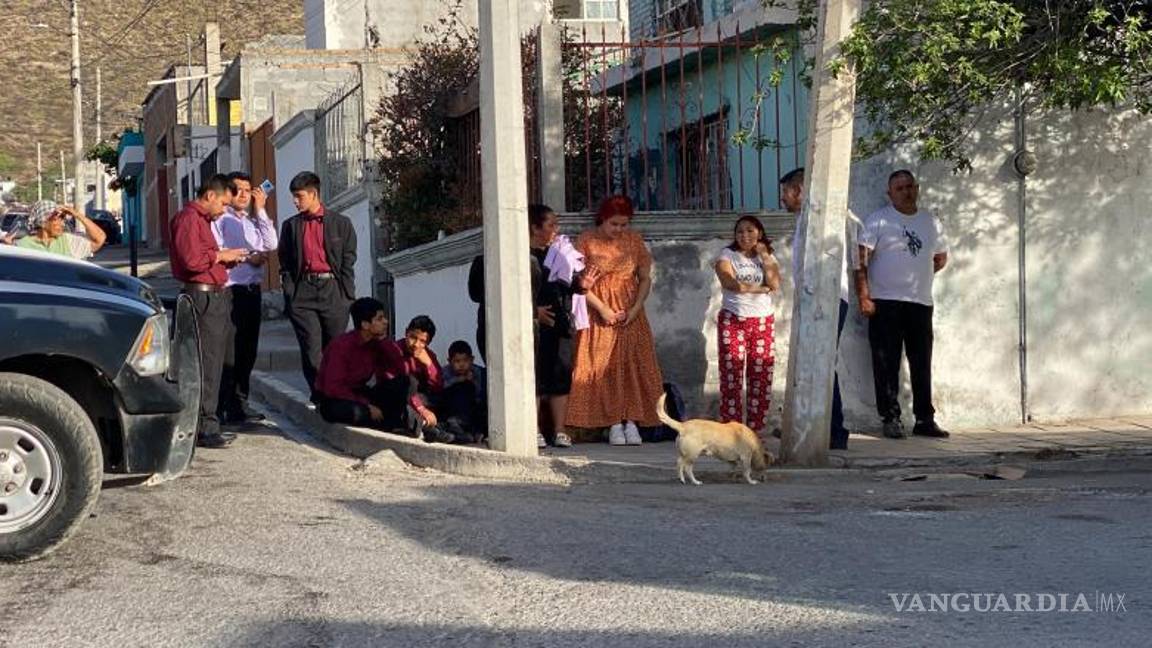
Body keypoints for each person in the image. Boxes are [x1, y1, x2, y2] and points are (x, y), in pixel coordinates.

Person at [856, 170, 950, 439]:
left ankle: (924, 419)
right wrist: (864, 295)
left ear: (917, 188)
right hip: (885, 303)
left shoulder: (930, 221)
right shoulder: (879, 220)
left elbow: (940, 258)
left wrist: (917, 276)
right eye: (899, 188)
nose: (906, 191)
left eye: (910, 186)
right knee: (886, 363)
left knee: (922, 362)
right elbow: (860, 260)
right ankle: (891, 418)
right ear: (890, 194)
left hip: (920, 302)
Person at [566, 195, 664, 445]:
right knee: (601, 366)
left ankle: (632, 420)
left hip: (630, 312)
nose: (619, 230)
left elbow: (644, 278)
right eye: (614, 224)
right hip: (599, 311)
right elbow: (577, 282)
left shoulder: (634, 240)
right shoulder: (586, 241)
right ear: (603, 219)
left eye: (623, 224)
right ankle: (611, 422)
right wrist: (603, 309)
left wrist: (635, 308)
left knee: (631, 365)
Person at [168, 174, 249, 448]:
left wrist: (225, 260)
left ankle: (210, 420)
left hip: (216, 295)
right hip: (202, 299)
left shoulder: (201, 221)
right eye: (224, 204)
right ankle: (205, 426)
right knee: (207, 363)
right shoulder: (189, 219)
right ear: (211, 196)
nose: (224, 210)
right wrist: (220, 256)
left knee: (218, 361)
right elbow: (191, 260)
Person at [783, 168, 858, 450]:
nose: (783, 199)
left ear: (801, 190)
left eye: (786, 192)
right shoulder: (806, 219)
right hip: (812, 299)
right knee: (813, 365)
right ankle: (813, 426)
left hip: (828, 299)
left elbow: (855, 255)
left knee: (823, 364)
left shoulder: (829, 218)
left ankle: (835, 431)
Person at [277, 171, 357, 403]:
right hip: (303, 291)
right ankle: (320, 395)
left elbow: (348, 259)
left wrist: (346, 295)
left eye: (299, 196)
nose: (295, 201)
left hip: (333, 290)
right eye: (293, 196)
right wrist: (290, 294)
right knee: (311, 350)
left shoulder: (341, 223)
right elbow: (286, 263)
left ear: (314, 194)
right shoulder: (291, 226)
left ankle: (337, 392)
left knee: (335, 348)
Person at [529, 203, 597, 449]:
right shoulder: (523, 256)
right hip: (534, 326)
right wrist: (533, 312)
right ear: (535, 228)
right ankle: (533, 428)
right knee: (533, 377)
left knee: (559, 377)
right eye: (550, 225)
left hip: (560, 322)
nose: (556, 229)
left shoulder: (560, 252)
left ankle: (559, 430)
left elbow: (570, 284)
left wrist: (583, 285)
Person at [216, 171, 278, 424]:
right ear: (228, 193)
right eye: (237, 189)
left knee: (248, 351)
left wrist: (261, 209)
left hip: (252, 292)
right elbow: (218, 250)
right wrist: (247, 257)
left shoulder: (252, 221)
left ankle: (240, 403)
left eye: (247, 190)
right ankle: (222, 405)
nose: (243, 195)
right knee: (230, 352)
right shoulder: (221, 220)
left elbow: (271, 243)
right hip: (232, 290)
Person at [713, 215, 781, 435]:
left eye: (750, 231)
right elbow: (730, 283)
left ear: (759, 233)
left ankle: (755, 430)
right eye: (740, 231)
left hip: (762, 321)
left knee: (760, 376)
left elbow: (775, 284)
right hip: (733, 319)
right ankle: (731, 432)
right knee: (731, 373)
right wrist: (760, 289)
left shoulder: (767, 256)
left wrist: (764, 255)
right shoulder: (728, 254)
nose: (745, 236)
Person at [314, 298, 410, 430]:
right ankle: (387, 423)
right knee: (357, 413)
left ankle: (392, 422)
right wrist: (366, 405)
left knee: (405, 382)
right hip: (335, 398)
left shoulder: (375, 342)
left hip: (360, 392)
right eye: (379, 319)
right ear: (365, 324)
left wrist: (384, 341)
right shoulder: (342, 346)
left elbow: (401, 368)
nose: (385, 322)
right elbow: (333, 387)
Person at [16, 200, 106, 259]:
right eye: (56, 219)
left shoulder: (67, 241)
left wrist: (77, 214)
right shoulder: (23, 246)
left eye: (62, 218)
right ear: (42, 222)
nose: (62, 223)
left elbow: (99, 239)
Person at [439, 340, 488, 443]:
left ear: (472, 360)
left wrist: (472, 382)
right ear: (449, 361)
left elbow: (481, 395)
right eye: (457, 361)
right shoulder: (445, 372)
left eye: (465, 360)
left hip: (474, 409)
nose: (461, 365)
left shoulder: (478, 373)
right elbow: (442, 389)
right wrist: (459, 380)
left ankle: (476, 432)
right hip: (454, 410)